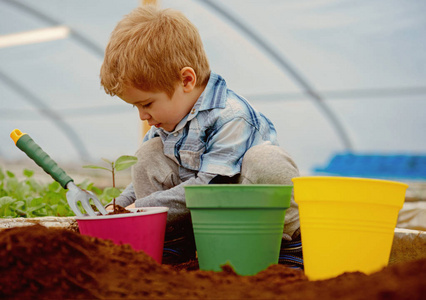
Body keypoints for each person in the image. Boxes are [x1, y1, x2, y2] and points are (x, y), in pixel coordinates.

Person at [100, 5, 302, 268]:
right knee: (148, 155)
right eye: (136, 106)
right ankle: (173, 244)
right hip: (207, 226)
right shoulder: (168, 121)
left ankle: (288, 245)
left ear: (186, 80)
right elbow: (138, 187)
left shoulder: (232, 116)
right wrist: (118, 207)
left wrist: (139, 209)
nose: (142, 116)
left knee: (267, 161)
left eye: (147, 104)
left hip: (254, 221)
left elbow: (209, 188)